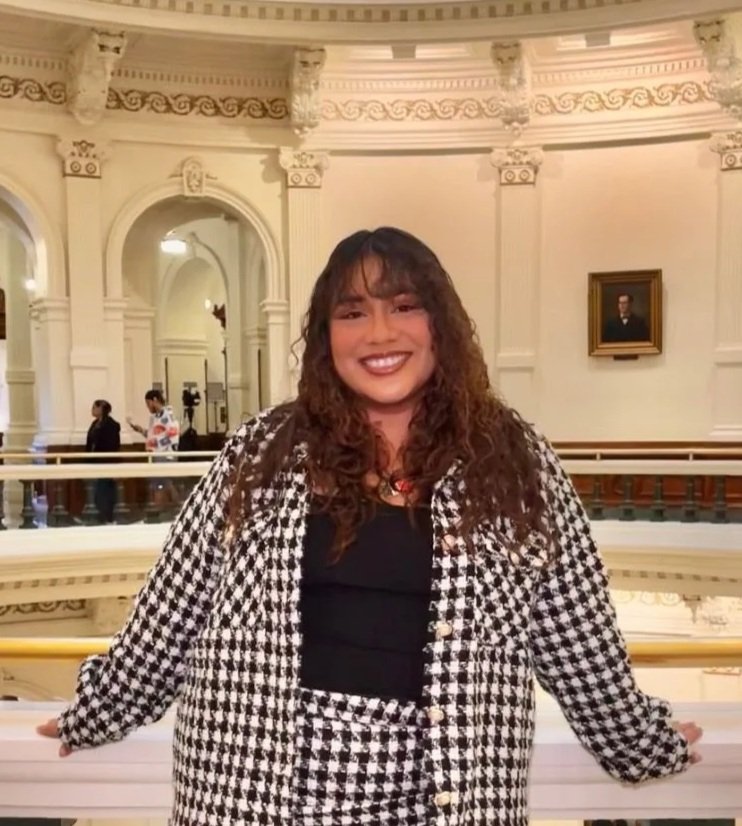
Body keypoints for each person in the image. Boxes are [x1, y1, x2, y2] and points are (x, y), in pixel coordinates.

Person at [39, 228, 701, 826]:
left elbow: (574, 632)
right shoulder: (264, 448)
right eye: (352, 313)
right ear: (326, 336)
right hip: (257, 790)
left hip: (444, 792)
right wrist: (98, 711)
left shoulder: (513, 459)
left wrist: (636, 741)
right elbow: (174, 607)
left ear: (440, 323)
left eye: (404, 306)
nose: (380, 333)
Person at [126, 389, 180, 506]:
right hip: (155, 454)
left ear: (154, 400)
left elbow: (173, 434)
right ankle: (176, 507)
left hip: (166, 454)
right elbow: (152, 435)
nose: (147, 407)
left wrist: (155, 444)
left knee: (159, 483)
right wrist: (141, 430)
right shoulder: (154, 417)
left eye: (148, 403)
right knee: (165, 483)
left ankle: (158, 509)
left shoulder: (169, 414)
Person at [84, 399, 120, 523]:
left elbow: (113, 445)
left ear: (100, 409)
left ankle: (107, 516)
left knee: (105, 490)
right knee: (96, 490)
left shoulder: (112, 425)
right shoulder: (95, 424)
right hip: (94, 461)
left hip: (106, 462)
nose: (92, 410)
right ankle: (98, 515)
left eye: (94, 407)